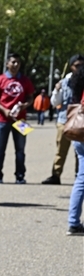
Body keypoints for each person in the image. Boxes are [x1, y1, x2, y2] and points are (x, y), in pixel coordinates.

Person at [0, 53, 34, 184]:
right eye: (13, 62)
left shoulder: (25, 81)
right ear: (7, 64)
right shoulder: (0, 80)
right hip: (2, 119)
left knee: (20, 150)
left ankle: (20, 175)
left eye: (18, 62)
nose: (15, 65)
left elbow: (31, 97)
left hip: (20, 120)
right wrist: (4, 110)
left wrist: (25, 105)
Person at [42, 54, 83, 185]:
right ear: (71, 67)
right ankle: (56, 174)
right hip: (64, 120)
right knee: (61, 149)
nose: (80, 68)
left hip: (81, 121)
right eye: (77, 65)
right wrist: (56, 90)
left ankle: (79, 174)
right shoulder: (64, 82)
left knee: (80, 151)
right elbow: (55, 103)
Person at [65, 64, 84, 235]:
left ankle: (73, 222)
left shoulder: (78, 86)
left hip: (79, 134)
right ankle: (73, 222)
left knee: (81, 179)